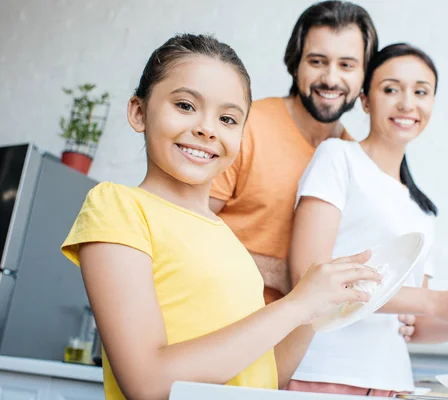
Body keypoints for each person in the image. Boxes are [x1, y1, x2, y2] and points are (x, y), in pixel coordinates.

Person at [60, 33, 382, 400]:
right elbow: (148, 383)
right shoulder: (117, 206)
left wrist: (316, 311)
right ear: (138, 112)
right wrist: (296, 305)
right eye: (185, 105)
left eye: (228, 118)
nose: (207, 128)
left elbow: (265, 378)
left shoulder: (229, 241)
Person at [287, 43, 448, 397]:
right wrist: (438, 302)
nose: (407, 103)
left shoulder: (422, 210)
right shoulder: (337, 159)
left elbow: (413, 325)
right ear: (365, 100)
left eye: (421, 91)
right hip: (325, 375)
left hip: (392, 384)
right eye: (391, 89)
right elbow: (308, 278)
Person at [209, 0, 378, 304]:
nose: (330, 78)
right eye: (317, 61)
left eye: (347, 65)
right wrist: (282, 273)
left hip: (297, 345)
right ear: (295, 63)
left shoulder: (354, 159)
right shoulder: (246, 126)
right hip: (212, 321)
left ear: (365, 75)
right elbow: (180, 224)